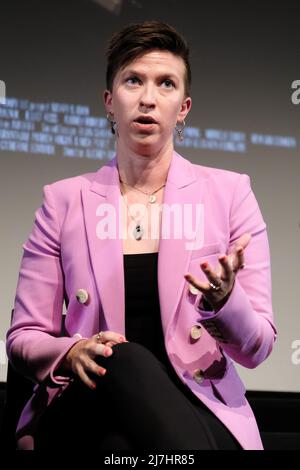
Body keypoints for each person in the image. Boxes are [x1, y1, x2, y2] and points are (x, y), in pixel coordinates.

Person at [6, 20, 276, 451]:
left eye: (165, 84)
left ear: (183, 107)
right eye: (134, 81)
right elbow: (23, 337)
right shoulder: (62, 202)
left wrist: (224, 301)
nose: (148, 99)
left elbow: (258, 348)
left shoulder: (230, 194)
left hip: (198, 405)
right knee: (123, 357)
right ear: (110, 102)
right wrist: (71, 354)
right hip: (90, 400)